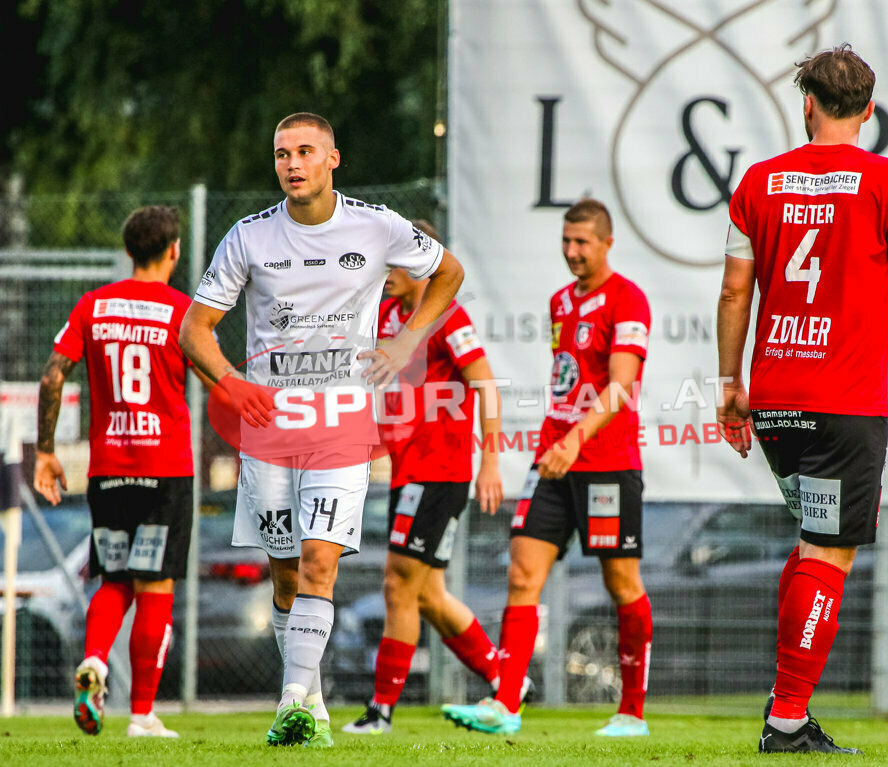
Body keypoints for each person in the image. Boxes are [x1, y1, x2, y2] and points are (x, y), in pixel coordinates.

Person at [715, 44, 888, 754]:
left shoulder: (757, 184)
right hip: (843, 403)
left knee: (812, 547)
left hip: (775, 400)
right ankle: (788, 721)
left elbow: (734, 290)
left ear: (806, 104)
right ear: (868, 110)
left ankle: (785, 704)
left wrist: (729, 383)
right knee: (830, 553)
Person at [179, 112, 464, 748]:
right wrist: (230, 382)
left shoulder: (377, 224)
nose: (292, 164)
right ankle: (312, 703)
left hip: (341, 423)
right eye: (282, 154)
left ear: (333, 158)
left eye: (305, 151)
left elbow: (448, 273)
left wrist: (407, 340)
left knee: (318, 561)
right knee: (284, 572)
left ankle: (288, 706)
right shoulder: (248, 238)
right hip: (271, 431)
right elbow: (192, 330)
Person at [442, 198, 653, 737]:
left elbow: (621, 384)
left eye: (582, 242)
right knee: (522, 572)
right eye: (566, 241)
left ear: (607, 243)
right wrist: (557, 444)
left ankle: (631, 713)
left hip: (605, 463)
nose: (572, 251)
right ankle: (505, 705)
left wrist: (577, 439)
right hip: (552, 460)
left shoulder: (628, 299)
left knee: (621, 581)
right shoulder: (561, 301)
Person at [343, 219, 519, 733]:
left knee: (398, 585)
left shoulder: (447, 316)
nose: (386, 272)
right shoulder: (390, 316)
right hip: (408, 472)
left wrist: (489, 462)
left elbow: (486, 385)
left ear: (422, 265)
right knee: (428, 595)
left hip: (439, 472)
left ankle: (380, 711)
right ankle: (507, 680)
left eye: (395, 262)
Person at [33, 205, 203, 738]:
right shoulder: (182, 311)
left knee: (114, 580)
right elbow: (216, 376)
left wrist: (45, 450)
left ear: (129, 250)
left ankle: (96, 663)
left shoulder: (93, 306)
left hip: (109, 470)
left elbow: (53, 376)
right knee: (155, 588)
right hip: (164, 469)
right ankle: (142, 715)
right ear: (174, 251)